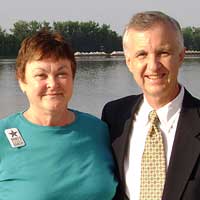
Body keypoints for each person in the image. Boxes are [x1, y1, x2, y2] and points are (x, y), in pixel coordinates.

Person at [0, 30, 117, 200]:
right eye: (41, 75)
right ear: (22, 81)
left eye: (61, 74)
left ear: (73, 78)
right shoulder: (2, 135)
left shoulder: (100, 130)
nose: (52, 84)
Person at [102, 11, 200, 200]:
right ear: (129, 62)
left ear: (181, 56)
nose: (153, 66)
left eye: (163, 53)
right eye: (142, 55)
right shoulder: (114, 116)